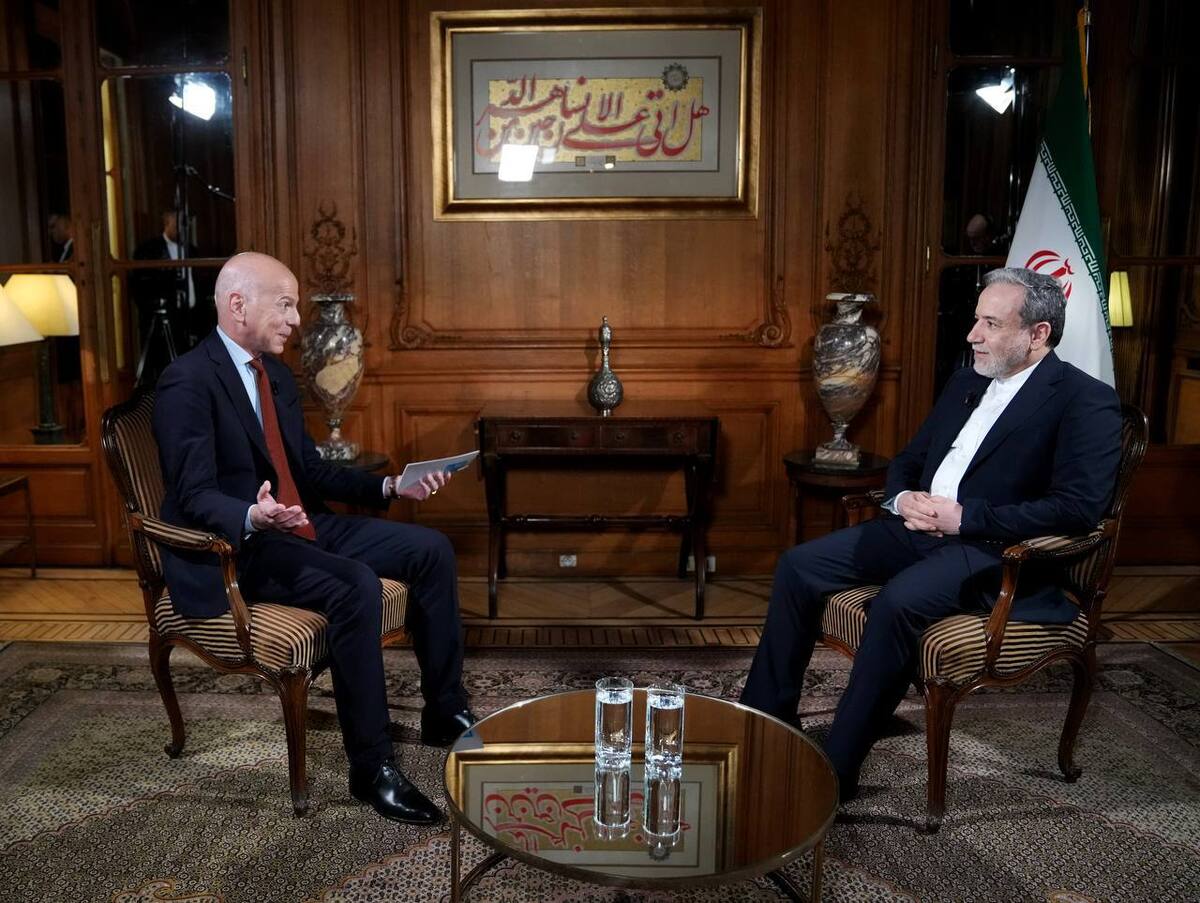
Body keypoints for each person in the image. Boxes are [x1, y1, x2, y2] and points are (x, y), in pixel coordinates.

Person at [739, 267, 1122, 801]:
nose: (973, 334)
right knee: (798, 566)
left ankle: (835, 771)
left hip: (992, 548)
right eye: (976, 319)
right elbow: (910, 458)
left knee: (898, 602)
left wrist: (964, 518)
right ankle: (767, 720)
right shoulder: (966, 380)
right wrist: (902, 499)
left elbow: (1079, 508)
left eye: (991, 324)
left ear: (1038, 334)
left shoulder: (1085, 400)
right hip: (916, 527)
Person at [152, 251, 474, 825]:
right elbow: (193, 493)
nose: (296, 319)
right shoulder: (187, 382)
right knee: (355, 584)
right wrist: (252, 516)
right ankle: (371, 767)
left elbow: (311, 470)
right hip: (241, 549)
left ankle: (445, 711)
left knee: (431, 550)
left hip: (300, 524)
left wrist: (391, 486)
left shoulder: (274, 374)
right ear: (237, 305)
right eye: (285, 304)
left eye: (295, 306)